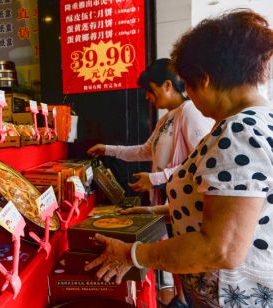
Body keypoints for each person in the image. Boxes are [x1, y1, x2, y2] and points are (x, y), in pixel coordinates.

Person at [85, 9, 273, 308]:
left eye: (188, 85)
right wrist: (162, 212)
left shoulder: (237, 131)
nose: (191, 98)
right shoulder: (260, 120)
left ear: (205, 80)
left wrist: (131, 253)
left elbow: (220, 248)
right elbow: (225, 204)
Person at [87, 58, 214, 206]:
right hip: (168, 201)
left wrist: (155, 179)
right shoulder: (166, 118)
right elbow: (144, 151)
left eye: (150, 90)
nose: (147, 97)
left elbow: (200, 163)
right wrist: (108, 150)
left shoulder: (190, 111)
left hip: (185, 205)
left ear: (167, 85)